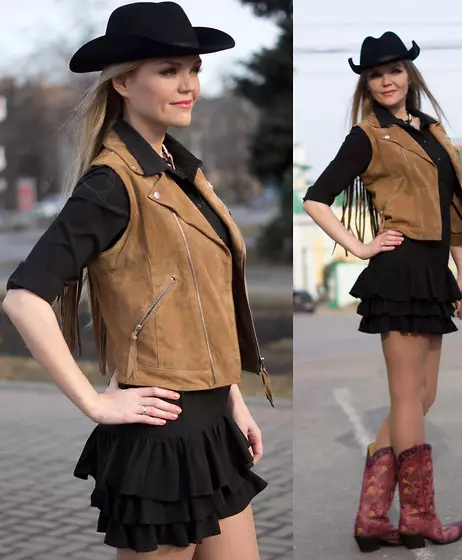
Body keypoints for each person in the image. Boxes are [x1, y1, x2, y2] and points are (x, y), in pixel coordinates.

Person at [2, 2, 274, 559]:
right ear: (124, 81)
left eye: (194, 69)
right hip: (159, 435)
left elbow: (199, 303)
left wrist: (231, 396)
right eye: (169, 70)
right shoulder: (112, 183)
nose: (189, 84)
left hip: (211, 424)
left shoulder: (184, 174)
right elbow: (23, 297)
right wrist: (94, 404)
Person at [303, 32, 462, 552]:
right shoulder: (368, 136)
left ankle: (370, 518)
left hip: (435, 271)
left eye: (395, 70)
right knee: (408, 396)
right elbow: (316, 198)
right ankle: (419, 517)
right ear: (367, 82)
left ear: (410, 74)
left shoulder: (432, 130)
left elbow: (452, 207)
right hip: (402, 268)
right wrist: (359, 246)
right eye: (375, 73)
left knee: (423, 395)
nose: (386, 80)